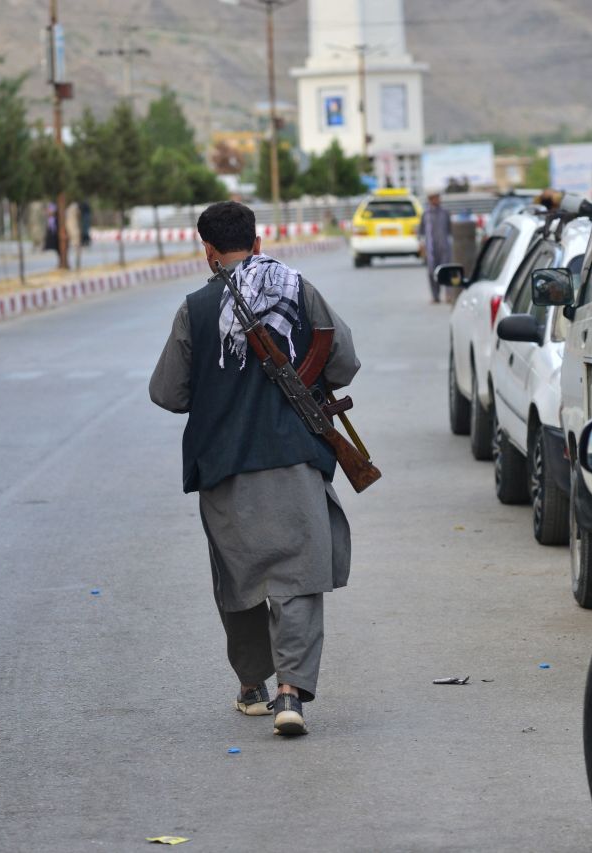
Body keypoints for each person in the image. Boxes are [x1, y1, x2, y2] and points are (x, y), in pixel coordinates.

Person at [149, 201, 359, 737]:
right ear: (258, 240)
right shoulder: (298, 288)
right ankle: (293, 693)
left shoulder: (195, 308)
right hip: (295, 458)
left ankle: (253, 686)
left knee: (240, 580)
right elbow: (344, 363)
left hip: (224, 465)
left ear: (209, 251)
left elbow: (167, 392)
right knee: (298, 578)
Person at [418, 190, 453, 304]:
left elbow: (450, 230)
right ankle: (435, 296)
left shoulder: (445, 213)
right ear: (430, 200)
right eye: (435, 198)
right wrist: (422, 245)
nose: (437, 200)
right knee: (432, 272)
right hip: (431, 249)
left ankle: (448, 294)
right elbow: (421, 232)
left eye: (438, 198)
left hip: (444, 247)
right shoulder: (426, 214)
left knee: (446, 271)